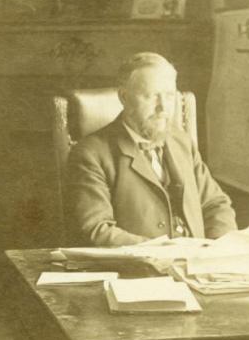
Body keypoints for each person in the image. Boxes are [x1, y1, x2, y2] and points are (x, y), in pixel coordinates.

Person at [67, 52, 237, 246]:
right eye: (151, 96)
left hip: (196, 267)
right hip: (138, 270)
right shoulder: (91, 154)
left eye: (169, 96)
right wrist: (164, 253)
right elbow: (97, 229)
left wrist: (218, 249)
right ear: (124, 97)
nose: (163, 107)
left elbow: (216, 204)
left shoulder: (182, 142)